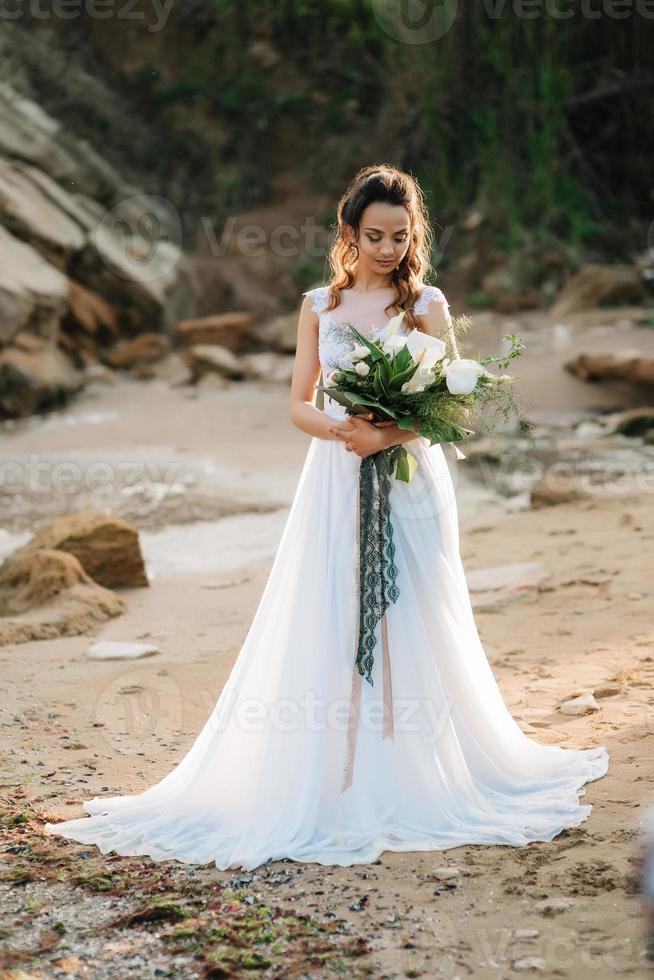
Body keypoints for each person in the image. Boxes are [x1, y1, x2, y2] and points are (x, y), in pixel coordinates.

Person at [44, 164, 609, 871]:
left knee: (416, 608)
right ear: (348, 233)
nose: (388, 249)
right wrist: (348, 432)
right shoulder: (320, 306)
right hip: (337, 477)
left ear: (415, 236)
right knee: (337, 608)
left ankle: (415, 763)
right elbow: (299, 403)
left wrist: (390, 434)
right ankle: (343, 765)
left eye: (401, 237)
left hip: (409, 479)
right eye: (375, 236)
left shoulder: (426, 304)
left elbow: (453, 405)